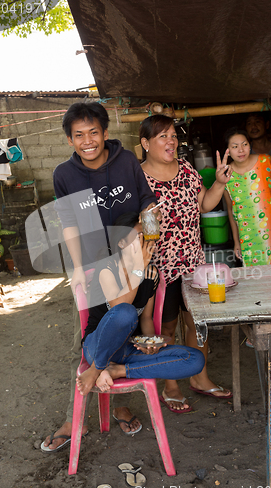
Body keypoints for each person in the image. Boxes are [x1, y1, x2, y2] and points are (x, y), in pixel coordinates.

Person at [41, 102, 158, 452]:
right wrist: (77, 266)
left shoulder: (125, 162)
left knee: (128, 325)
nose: (87, 140)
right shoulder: (64, 174)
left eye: (94, 132)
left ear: (105, 133)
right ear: (69, 139)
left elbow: (148, 205)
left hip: (132, 255)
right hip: (93, 266)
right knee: (88, 336)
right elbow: (70, 224)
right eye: (79, 135)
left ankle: (119, 404)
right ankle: (73, 419)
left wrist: (140, 239)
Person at [139, 115, 233, 413]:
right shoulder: (137, 178)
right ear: (145, 143)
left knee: (197, 323)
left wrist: (218, 183)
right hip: (159, 268)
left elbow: (205, 205)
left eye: (172, 136)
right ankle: (171, 386)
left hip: (193, 264)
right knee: (165, 328)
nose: (171, 141)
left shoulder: (188, 170)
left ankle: (200, 378)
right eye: (162, 137)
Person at [76, 212, 205, 397]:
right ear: (121, 243)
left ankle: (117, 371)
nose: (144, 241)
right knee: (126, 312)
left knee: (194, 359)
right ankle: (98, 367)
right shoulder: (107, 268)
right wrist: (138, 268)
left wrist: (150, 342)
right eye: (137, 237)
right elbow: (120, 308)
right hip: (97, 347)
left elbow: (145, 318)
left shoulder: (151, 273)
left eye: (145, 235)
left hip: (127, 349)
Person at [223, 127, 271, 266]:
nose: (241, 150)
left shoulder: (266, 161)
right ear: (228, 151)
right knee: (254, 280)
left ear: (250, 146)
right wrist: (236, 242)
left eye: (245, 144)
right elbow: (231, 211)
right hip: (246, 237)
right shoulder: (226, 176)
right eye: (235, 146)